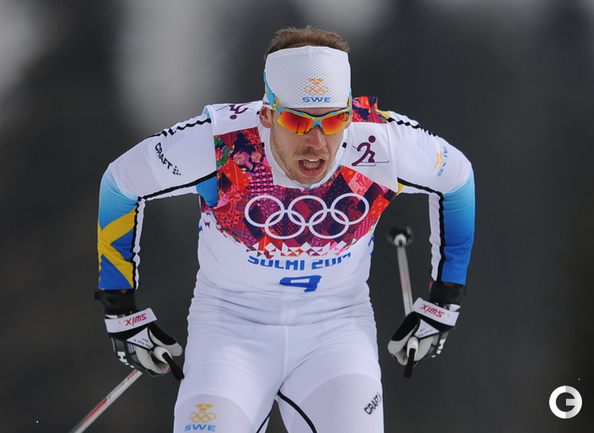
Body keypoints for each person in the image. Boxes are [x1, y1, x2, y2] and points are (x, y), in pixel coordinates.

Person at [96, 26, 475, 433]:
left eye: (334, 121)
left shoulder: (381, 142)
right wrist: (121, 310)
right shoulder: (224, 144)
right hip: (230, 331)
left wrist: (444, 302)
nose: (316, 142)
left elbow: (457, 179)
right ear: (267, 114)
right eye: (297, 121)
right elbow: (120, 185)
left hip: (335, 330)